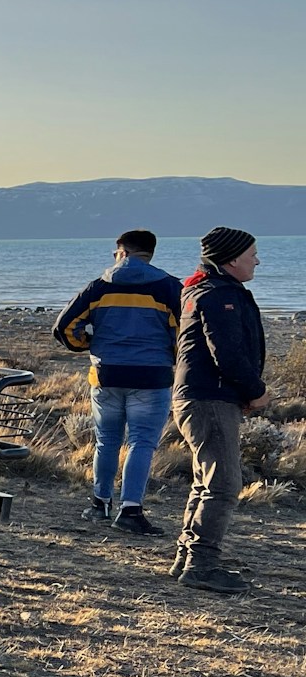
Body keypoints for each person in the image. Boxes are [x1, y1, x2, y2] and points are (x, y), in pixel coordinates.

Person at [54, 229, 182, 535]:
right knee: (141, 442)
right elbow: (185, 333)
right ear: (149, 254)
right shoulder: (169, 287)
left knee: (106, 441)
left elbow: (64, 327)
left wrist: (87, 345)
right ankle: (130, 510)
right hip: (151, 377)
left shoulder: (98, 286)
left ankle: (100, 503)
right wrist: (172, 356)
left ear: (122, 253)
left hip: (106, 375)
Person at [171, 226, 269, 593]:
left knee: (206, 481)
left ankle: (188, 558)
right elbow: (226, 354)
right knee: (224, 484)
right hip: (209, 399)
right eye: (252, 255)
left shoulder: (205, 290)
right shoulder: (218, 294)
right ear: (231, 260)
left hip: (200, 397)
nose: (257, 261)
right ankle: (201, 565)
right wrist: (256, 391)